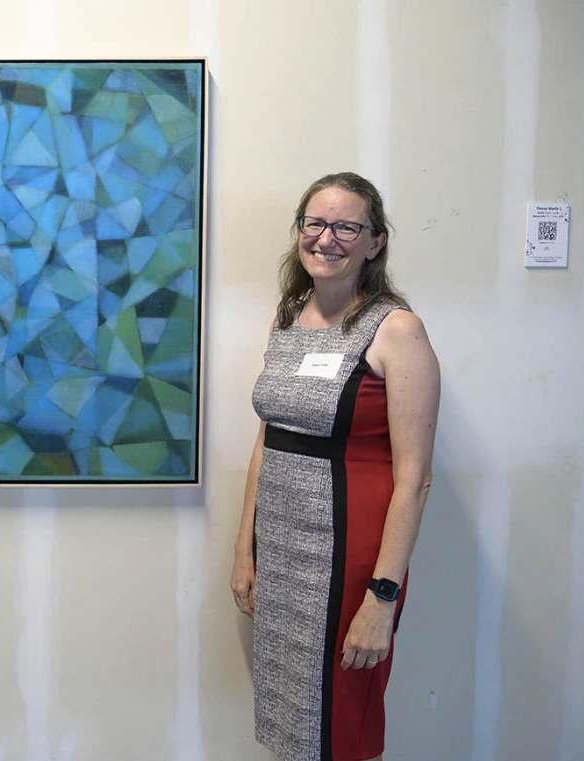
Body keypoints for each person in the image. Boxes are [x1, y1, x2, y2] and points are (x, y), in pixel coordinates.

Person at [229, 172, 440, 761]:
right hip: (283, 550)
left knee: (341, 722)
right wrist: (246, 549)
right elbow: (268, 437)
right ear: (299, 232)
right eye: (315, 223)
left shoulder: (398, 330)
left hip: (351, 558)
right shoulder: (289, 315)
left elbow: (415, 478)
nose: (327, 238)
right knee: (292, 719)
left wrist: (383, 597)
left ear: (375, 242)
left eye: (348, 226)